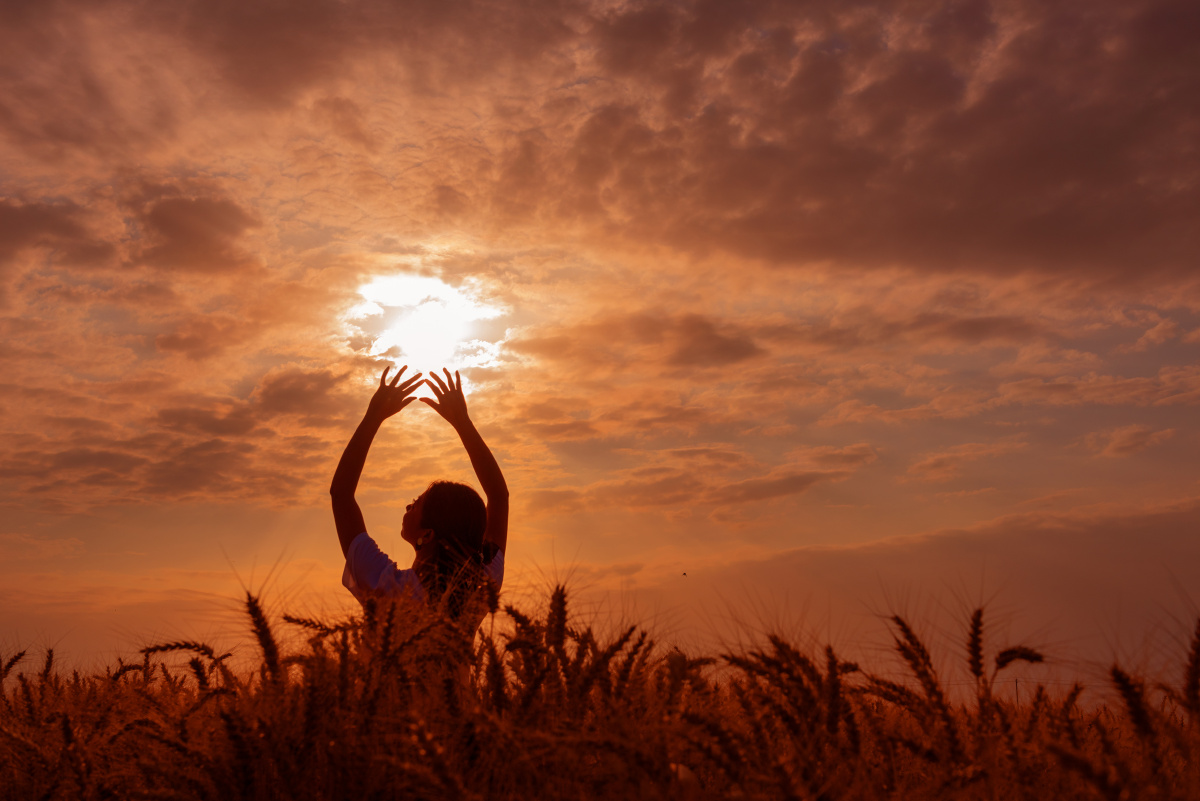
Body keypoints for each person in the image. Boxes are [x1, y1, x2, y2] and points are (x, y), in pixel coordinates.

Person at [330, 366, 509, 629]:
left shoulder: (384, 585)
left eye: (417, 504)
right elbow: (499, 496)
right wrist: (463, 422)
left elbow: (341, 494)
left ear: (429, 534)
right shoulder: (482, 585)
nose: (408, 505)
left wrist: (373, 417)